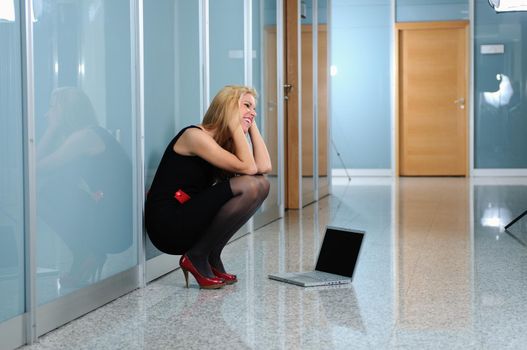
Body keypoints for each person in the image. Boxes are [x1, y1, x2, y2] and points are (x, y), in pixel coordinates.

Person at [145, 85, 271, 289]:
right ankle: (197, 255)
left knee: (262, 184)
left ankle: (211, 254)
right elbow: (249, 167)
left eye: (254, 108)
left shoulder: (220, 143)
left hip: (189, 215)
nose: (253, 112)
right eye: (247, 105)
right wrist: (235, 124)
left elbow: (264, 167)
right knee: (249, 186)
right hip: (168, 223)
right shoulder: (194, 136)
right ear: (228, 108)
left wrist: (251, 123)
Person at [37, 87, 133, 288]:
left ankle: (87, 253)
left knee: (41, 197)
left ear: (66, 112)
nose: (47, 114)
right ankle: (85, 254)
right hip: (117, 220)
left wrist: (51, 129)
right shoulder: (89, 134)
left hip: (115, 227)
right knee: (54, 188)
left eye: (52, 108)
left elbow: (35, 168)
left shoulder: (84, 137)